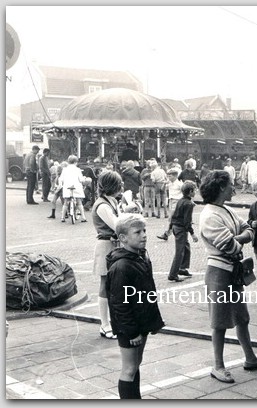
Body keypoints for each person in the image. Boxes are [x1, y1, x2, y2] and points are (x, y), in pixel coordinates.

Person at [199, 170, 257, 384]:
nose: (234, 188)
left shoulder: (225, 209)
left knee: (242, 317)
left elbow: (247, 228)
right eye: (230, 184)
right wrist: (243, 237)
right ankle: (218, 366)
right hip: (219, 271)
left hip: (230, 270)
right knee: (219, 321)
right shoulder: (210, 215)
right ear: (220, 187)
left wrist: (241, 236)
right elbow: (229, 245)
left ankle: (250, 357)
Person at [106, 213, 165, 399]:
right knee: (130, 368)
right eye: (137, 232)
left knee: (136, 364)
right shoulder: (122, 266)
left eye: (145, 230)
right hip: (129, 328)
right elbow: (119, 304)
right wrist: (131, 332)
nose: (144, 235)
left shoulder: (139, 257)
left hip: (140, 322)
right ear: (123, 238)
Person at [92, 170, 140, 340]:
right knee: (106, 285)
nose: (121, 186)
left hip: (113, 245)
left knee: (115, 285)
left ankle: (113, 321)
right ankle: (105, 324)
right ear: (111, 185)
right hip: (106, 245)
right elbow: (116, 225)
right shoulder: (102, 205)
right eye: (118, 183)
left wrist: (127, 209)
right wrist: (129, 213)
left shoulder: (109, 202)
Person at [167, 181, 199, 282]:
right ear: (190, 192)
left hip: (177, 227)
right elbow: (187, 221)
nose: (196, 191)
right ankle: (173, 274)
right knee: (179, 252)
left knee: (186, 248)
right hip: (181, 229)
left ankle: (182, 268)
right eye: (194, 190)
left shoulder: (181, 200)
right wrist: (193, 233)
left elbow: (174, 214)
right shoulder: (188, 204)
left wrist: (170, 227)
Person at [157, 169, 184, 241]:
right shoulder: (169, 183)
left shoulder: (179, 184)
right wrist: (164, 183)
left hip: (177, 201)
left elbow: (184, 192)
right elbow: (162, 190)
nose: (168, 177)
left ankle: (167, 233)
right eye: (168, 176)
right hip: (171, 201)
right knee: (173, 219)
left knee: (172, 218)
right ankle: (168, 233)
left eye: (170, 176)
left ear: (175, 176)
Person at [59, 155, 88, 223]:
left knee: (66, 202)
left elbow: (61, 179)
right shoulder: (77, 170)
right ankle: (83, 217)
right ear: (75, 162)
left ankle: (62, 217)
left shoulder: (65, 169)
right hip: (76, 187)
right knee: (79, 202)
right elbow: (81, 180)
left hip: (67, 188)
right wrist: (84, 178)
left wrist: (61, 185)